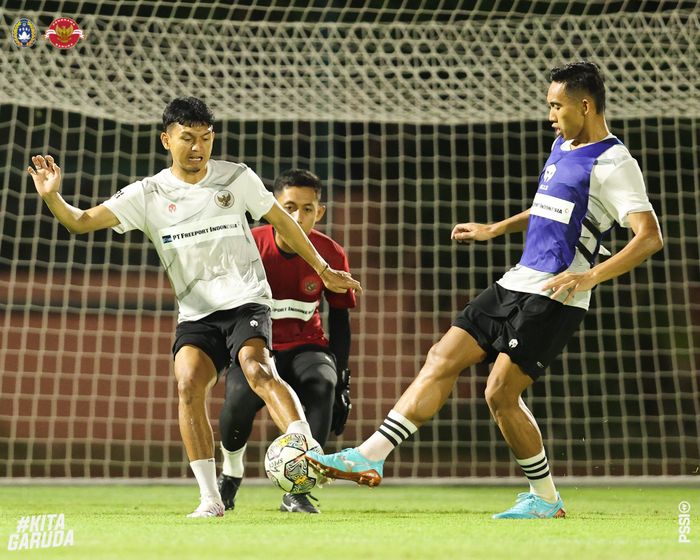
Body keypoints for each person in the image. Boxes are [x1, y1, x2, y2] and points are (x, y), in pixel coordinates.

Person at [306, 61, 663, 519]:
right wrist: (496, 228)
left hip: (556, 293)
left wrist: (589, 276)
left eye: (557, 105)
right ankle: (370, 455)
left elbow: (649, 236)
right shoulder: (561, 145)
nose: (550, 114)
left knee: (499, 393)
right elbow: (547, 208)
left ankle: (546, 499)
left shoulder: (614, 163)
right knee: (442, 356)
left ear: (586, 105)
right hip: (515, 280)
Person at [27, 97, 361, 518]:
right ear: (167, 139)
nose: (198, 147)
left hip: (246, 299)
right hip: (197, 312)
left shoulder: (236, 177)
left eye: (205, 137)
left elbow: (283, 222)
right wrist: (53, 197)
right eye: (188, 138)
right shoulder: (146, 194)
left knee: (257, 369)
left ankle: (303, 448)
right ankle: (211, 498)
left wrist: (323, 268)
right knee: (187, 384)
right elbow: (80, 221)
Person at [217, 169, 356, 514]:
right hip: (255, 345)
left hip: (306, 346)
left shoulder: (331, 254)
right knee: (237, 399)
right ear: (272, 207)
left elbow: (340, 319)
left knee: (323, 384)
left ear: (319, 212)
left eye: (307, 209)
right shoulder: (250, 246)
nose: (298, 216)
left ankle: (299, 489)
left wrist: (342, 376)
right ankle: (231, 475)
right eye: (289, 207)